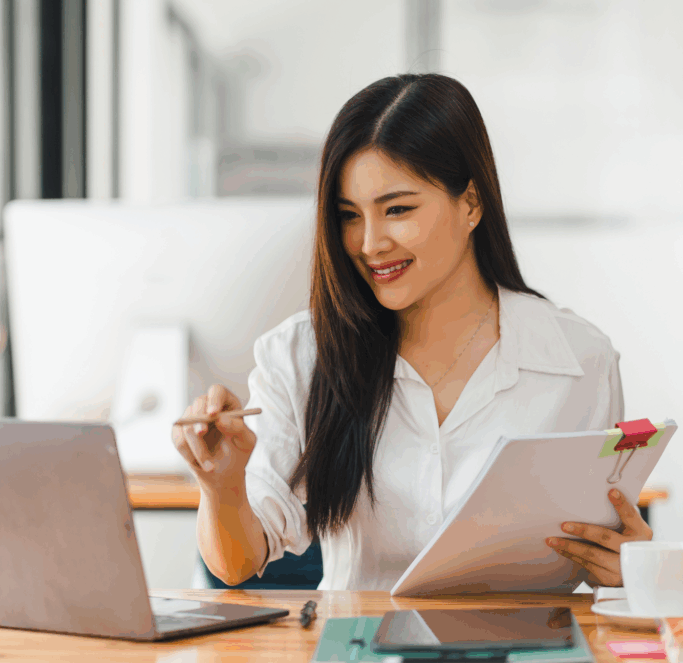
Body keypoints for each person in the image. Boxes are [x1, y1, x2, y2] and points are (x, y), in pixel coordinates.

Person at [171, 73, 651, 591]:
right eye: (349, 216)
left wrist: (633, 568)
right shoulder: (304, 355)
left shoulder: (581, 361)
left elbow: (604, 559)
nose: (370, 243)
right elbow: (235, 564)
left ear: (471, 203)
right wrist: (221, 488)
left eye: (397, 210)